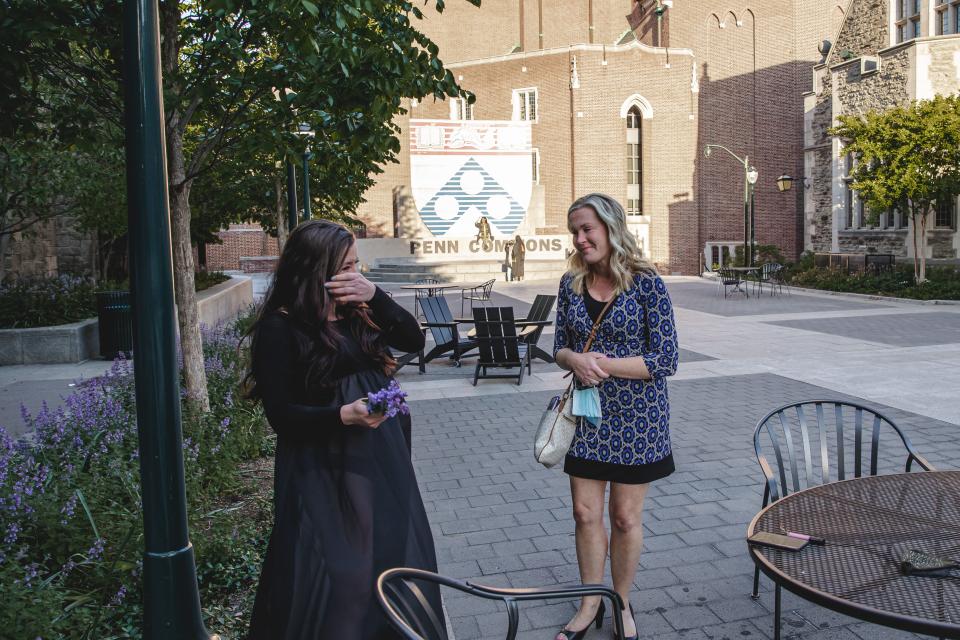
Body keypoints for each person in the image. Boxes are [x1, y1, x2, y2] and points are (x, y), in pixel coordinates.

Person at [245, 220, 436, 640]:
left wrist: (375, 294)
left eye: (356, 265)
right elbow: (281, 416)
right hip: (321, 466)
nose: (355, 274)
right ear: (316, 270)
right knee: (346, 577)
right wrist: (341, 416)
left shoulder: (356, 310)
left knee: (381, 566)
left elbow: (414, 340)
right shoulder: (281, 328)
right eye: (346, 266)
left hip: (376, 461)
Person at [552, 194, 678, 640]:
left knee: (625, 518)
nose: (581, 239)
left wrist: (599, 363)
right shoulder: (570, 284)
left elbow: (665, 359)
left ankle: (620, 602)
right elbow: (558, 348)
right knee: (585, 513)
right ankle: (590, 603)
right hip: (588, 417)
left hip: (639, 420)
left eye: (587, 229)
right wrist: (575, 360)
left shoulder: (646, 283)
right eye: (574, 232)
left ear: (610, 227)